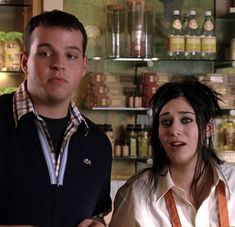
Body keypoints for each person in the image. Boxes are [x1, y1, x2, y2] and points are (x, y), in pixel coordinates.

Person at [0, 10, 112, 227]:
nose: (59, 64)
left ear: (83, 66)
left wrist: (97, 223)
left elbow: (96, 213)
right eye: (45, 53)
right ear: (24, 62)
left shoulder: (97, 144)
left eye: (71, 55)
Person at [109, 76, 235, 227]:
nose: (174, 130)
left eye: (186, 120)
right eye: (166, 122)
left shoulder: (233, 183)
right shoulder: (136, 195)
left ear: (208, 128)